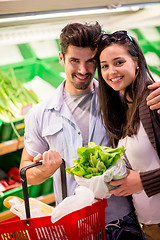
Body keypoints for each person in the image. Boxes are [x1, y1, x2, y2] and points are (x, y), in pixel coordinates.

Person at [20, 23, 159, 239]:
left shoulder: (120, 98)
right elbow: (26, 172)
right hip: (74, 224)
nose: (83, 71)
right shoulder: (40, 114)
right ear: (61, 58)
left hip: (122, 220)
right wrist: (44, 171)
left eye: (90, 62)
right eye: (75, 61)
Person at [96, 30, 160, 240]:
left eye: (119, 62)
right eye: (104, 66)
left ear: (137, 62)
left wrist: (143, 181)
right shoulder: (122, 108)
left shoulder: (153, 102)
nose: (111, 71)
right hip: (148, 226)